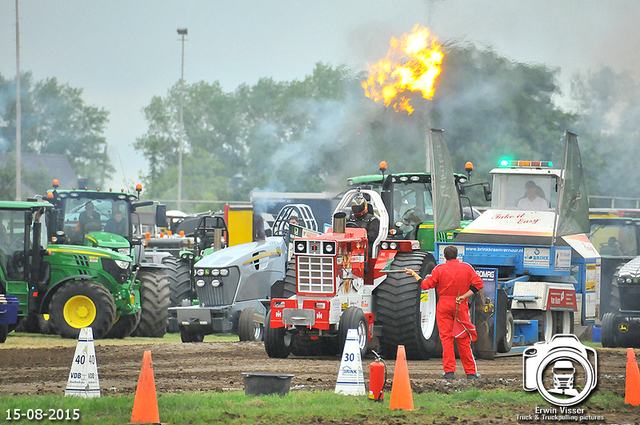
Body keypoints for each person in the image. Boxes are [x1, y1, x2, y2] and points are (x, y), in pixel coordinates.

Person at [404, 245, 484, 380]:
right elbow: (478, 284)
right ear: (457, 255)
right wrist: (464, 296)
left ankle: (449, 372)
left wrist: (413, 274)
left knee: (446, 339)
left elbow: (425, 285)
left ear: (444, 256)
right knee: (463, 340)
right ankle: (470, 373)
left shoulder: (439, 269)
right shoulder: (467, 268)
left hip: (444, 305)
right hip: (461, 304)